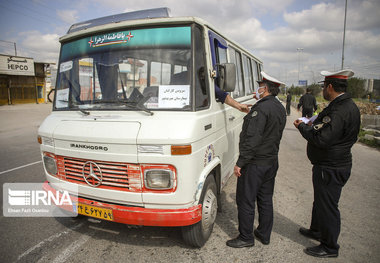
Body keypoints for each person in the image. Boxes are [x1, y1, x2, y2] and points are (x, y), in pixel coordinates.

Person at [293, 69, 360, 258]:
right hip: (333, 163)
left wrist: (303, 128)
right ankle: (316, 230)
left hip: (331, 166)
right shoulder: (345, 105)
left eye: (324, 87)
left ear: (330, 87)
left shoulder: (340, 110)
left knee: (328, 206)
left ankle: (330, 246)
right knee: (321, 201)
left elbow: (322, 139)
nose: (323, 90)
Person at [226, 71, 286, 248]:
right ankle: (264, 234)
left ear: (265, 89)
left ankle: (246, 237)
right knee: (265, 199)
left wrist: (240, 163)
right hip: (271, 161)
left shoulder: (261, 109)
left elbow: (251, 139)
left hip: (255, 163)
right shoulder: (278, 107)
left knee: (246, 200)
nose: (257, 89)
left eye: (260, 86)